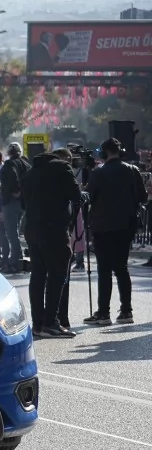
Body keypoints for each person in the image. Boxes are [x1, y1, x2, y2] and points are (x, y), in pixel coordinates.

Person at [84, 138, 146, 325]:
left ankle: (103, 313)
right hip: (125, 226)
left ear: (104, 153)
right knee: (122, 268)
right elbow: (142, 197)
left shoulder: (98, 173)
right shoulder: (133, 171)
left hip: (103, 227)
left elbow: (89, 198)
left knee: (104, 270)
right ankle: (126, 311)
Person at [22, 148, 81, 338]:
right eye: (70, 160)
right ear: (64, 158)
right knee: (57, 275)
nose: (71, 164)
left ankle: (38, 323)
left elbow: (23, 203)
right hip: (54, 229)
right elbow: (76, 195)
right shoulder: (62, 168)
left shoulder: (31, 172)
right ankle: (51, 322)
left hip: (33, 229)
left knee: (38, 276)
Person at [0, 142, 31, 274]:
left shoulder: (9, 164)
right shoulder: (26, 164)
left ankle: (15, 261)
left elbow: (12, 178)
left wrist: (16, 190)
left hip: (11, 202)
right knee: (16, 232)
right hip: (23, 203)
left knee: (12, 233)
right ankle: (16, 259)